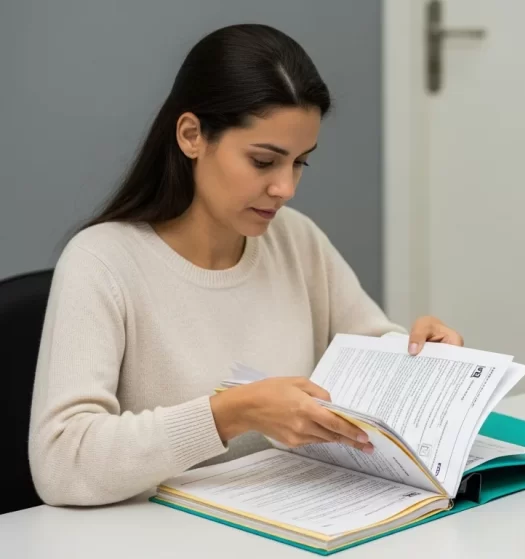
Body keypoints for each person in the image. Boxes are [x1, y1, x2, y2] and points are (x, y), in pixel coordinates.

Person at [28, 24, 463, 507]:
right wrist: (229, 414)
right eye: (263, 161)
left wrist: (419, 356)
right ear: (192, 135)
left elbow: (367, 344)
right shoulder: (102, 261)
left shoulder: (296, 240)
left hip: (293, 521)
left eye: (300, 162)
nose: (286, 188)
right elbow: (62, 463)